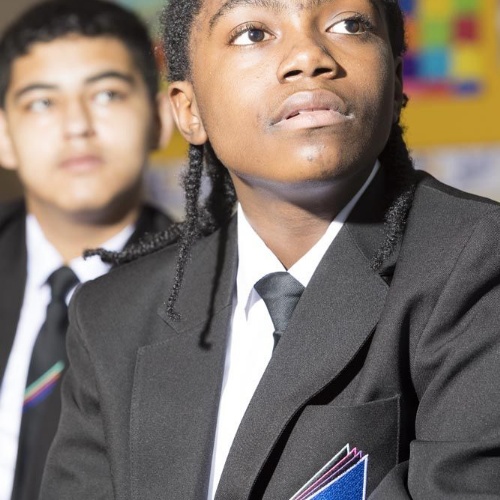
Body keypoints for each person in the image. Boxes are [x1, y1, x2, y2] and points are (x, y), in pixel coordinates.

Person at [41, 0, 500, 498]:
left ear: (395, 84)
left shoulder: (477, 262)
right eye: (253, 33)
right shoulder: (111, 318)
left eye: (349, 24)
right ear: (189, 110)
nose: (308, 57)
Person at [0, 1, 175, 499]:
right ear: (4, 136)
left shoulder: (207, 292)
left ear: (161, 119)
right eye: (41, 103)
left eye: (106, 94)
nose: (76, 125)